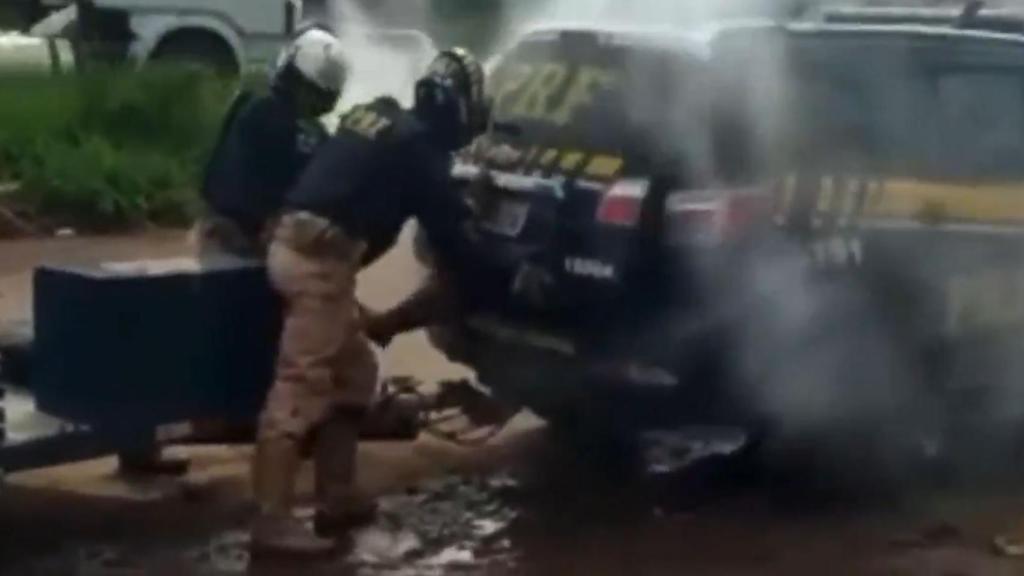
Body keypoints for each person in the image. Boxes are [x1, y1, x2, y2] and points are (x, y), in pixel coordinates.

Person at [249, 47, 542, 556]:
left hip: (305, 245)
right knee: (300, 390)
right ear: (456, 107)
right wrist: (511, 276)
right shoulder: (419, 154)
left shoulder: (381, 113)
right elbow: (456, 246)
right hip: (318, 262)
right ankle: (271, 522)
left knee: (356, 372)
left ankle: (337, 495)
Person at [194, 26, 347, 258]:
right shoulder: (298, 129)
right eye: (313, 94)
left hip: (213, 226)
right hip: (245, 239)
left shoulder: (251, 99)